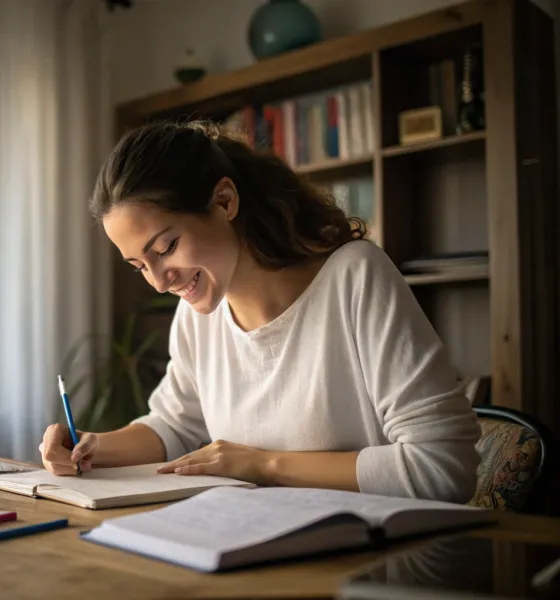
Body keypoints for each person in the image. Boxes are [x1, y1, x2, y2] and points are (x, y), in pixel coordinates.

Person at [39, 120, 481, 503]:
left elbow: (444, 467)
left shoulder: (354, 278)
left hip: (372, 564)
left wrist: (265, 465)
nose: (159, 281)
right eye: (139, 265)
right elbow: (174, 426)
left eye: (166, 247)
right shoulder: (199, 313)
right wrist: (92, 445)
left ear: (225, 202)